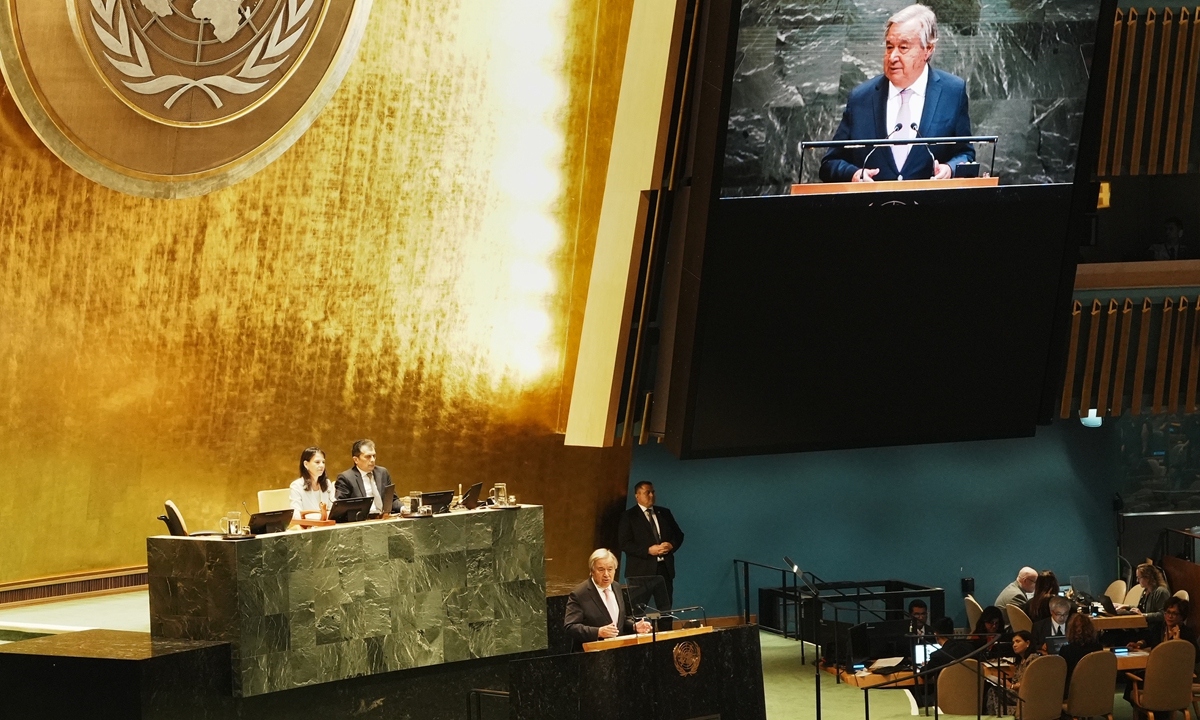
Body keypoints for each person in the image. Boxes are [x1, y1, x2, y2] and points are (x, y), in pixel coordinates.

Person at [819, 4, 974, 183]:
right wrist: (854, 174)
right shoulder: (861, 98)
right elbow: (830, 163)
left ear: (928, 49)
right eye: (889, 47)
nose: (892, 57)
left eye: (903, 48)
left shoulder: (952, 92)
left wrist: (950, 169)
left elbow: (966, 154)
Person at [563, 549, 652, 652]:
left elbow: (619, 620)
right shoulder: (580, 594)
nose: (606, 574)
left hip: (617, 652)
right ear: (592, 571)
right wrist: (598, 632)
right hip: (590, 656)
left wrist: (633, 626)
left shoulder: (616, 587)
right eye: (601, 570)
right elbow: (570, 627)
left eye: (610, 569)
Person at [617, 481, 685, 610]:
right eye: (647, 492)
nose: (651, 495)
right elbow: (624, 544)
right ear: (637, 495)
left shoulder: (664, 513)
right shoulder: (628, 516)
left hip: (664, 570)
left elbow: (679, 535)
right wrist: (648, 550)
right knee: (637, 612)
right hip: (640, 572)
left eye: (653, 492)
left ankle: (665, 629)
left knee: (665, 611)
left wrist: (671, 545)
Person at [334, 439, 403, 514]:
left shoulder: (383, 473)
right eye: (368, 457)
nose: (372, 460)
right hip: (362, 522)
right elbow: (340, 509)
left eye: (374, 456)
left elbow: (392, 499)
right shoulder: (346, 478)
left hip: (384, 519)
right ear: (356, 460)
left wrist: (403, 508)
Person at [987, 630, 1039, 715]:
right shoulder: (1019, 661)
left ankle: (999, 715)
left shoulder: (1033, 659)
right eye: (1013, 642)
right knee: (992, 689)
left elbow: (1032, 682)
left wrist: (1011, 686)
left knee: (994, 691)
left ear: (1028, 643)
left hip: (1026, 694)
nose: (1014, 645)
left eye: (1018, 641)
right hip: (1016, 692)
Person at [1128, 597, 1198, 651]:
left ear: (1182, 617)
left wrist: (1178, 641)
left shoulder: (1187, 633)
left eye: (1174, 613)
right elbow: (1148, 639)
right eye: (1168, 612)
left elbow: (1196, 656)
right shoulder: (1159, 627)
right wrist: (1139, 644)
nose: (1170, 616)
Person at [289, 446, 334, 519]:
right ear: (306, 464)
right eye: (317, 462)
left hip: (327, 525)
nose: (322, 465)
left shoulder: (327, 483)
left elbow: (334, 510)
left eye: (323, 462)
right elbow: (296, 515)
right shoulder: (296, 486)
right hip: (308, 527)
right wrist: (321, 516)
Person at [1058, 614, 1103, 686]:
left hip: (1073, 689)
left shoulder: (1066, 650)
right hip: (1094, 687)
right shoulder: (1098, 648)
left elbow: (1062, 674)